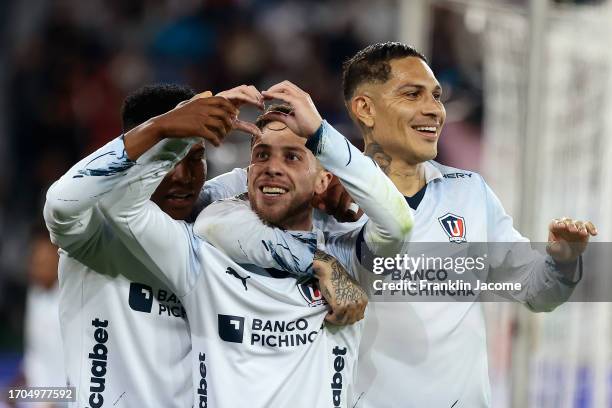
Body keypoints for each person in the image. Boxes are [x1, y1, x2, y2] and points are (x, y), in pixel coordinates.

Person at [97, 80, 411, 407]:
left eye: (292, 157)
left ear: (322, 180)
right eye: (261, 155)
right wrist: (317, 260)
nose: (273, 168)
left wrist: (323, 135)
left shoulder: (346, 249)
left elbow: (399, 224)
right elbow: (191, 216)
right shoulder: (204, 252)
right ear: (247, 172)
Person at [338, 41, 598, 407]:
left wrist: (564, 261)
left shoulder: (470, 194)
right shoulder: (332, 201)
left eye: (436, 96)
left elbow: (538, 293)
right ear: (365, 108)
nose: (434, 110)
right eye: (413, 94)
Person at [43, 84, 240, 407]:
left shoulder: (209, 221)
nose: (182, 176)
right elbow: (60, 203)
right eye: (165, 159)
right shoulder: (95, 228)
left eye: (196, 158)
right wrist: (161, 127)